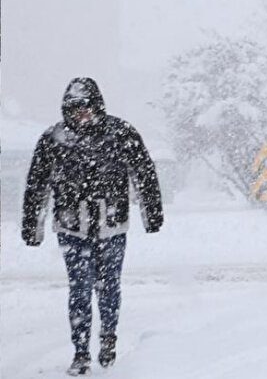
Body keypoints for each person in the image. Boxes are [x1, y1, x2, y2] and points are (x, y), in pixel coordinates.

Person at [21, 77, 164, 375]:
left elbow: (144, 173)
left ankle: (108, 340)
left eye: (85, 108)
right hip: (72, 228)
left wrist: (152, 214)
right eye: (75, 109)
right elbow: (37, 186)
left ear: (97, 106)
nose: (81, 114)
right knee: (80, 289)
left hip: (112, 225)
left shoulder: (120, 133)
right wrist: (32, 226)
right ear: (67, 110)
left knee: (109, 286)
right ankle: (82, 351)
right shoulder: (54, 139)